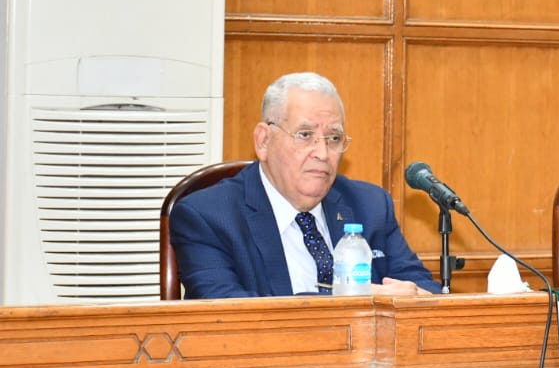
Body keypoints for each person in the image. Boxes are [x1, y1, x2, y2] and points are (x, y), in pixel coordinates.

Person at [169, 71, 441, 298]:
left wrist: (412, 297)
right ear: (263, 140)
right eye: (305, 135)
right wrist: (356, 299)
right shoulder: (207, 216)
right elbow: (229, 315)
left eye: (333, 138)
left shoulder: (370, 206)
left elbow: (424, 289)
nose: (322, 153)